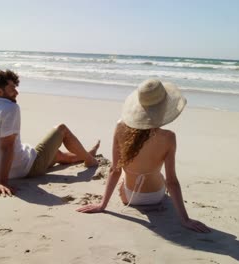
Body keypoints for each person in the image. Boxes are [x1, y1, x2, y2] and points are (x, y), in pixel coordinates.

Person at [0, 69, 100, 197]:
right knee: (61, 129)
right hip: (24, 169)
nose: (16, 92)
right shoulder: (10, 108)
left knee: (57, 155)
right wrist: (2, 182)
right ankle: (90, 160)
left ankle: (85, 154)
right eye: (12, 88)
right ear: (0, 91)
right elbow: (7, 147)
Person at [77, 79, 210, 233]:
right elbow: (172, 182)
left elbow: (115, 170)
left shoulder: (120, 127)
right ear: (164, 108)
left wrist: (102, 205)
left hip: (128, 197)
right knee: (158, 174)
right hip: (156, 196)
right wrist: (185, 219)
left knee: (124, 172)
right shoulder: (168, 137)